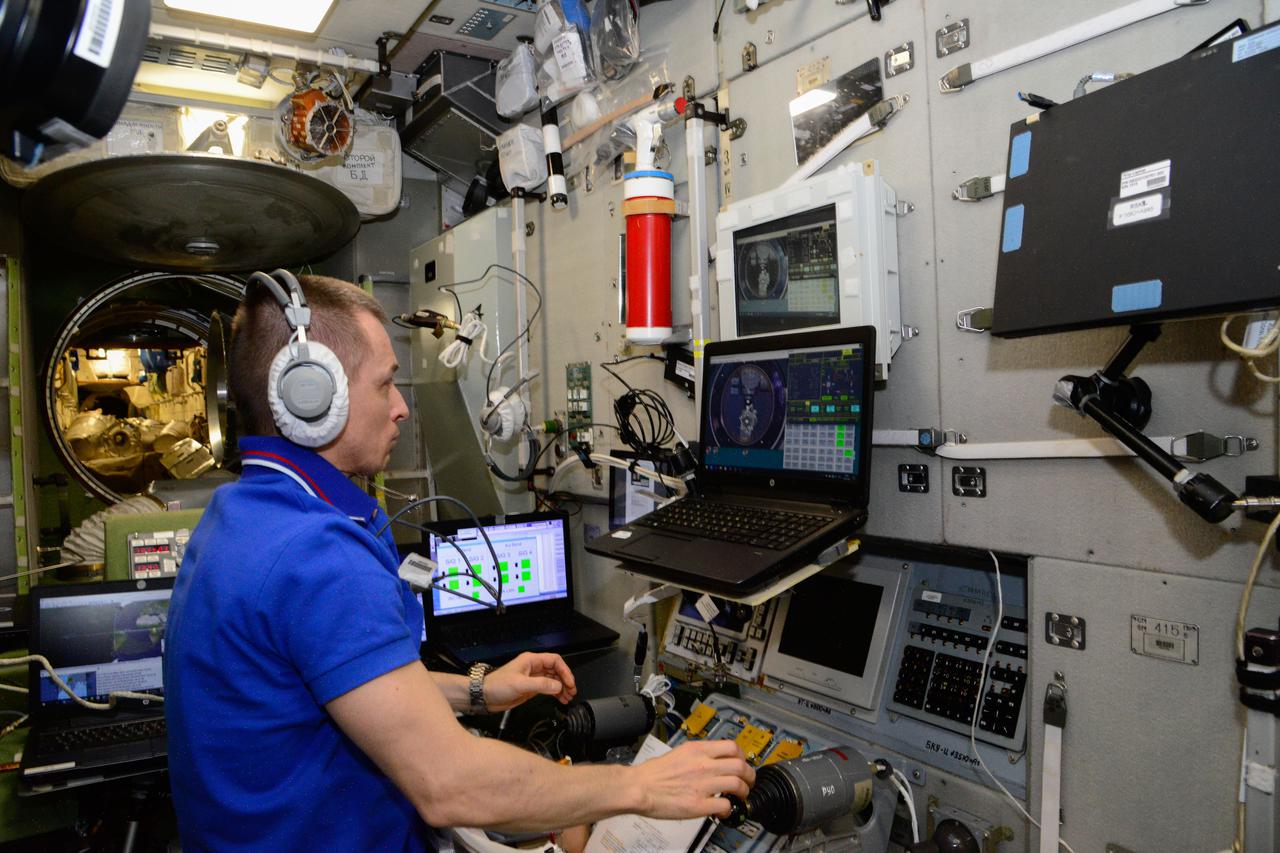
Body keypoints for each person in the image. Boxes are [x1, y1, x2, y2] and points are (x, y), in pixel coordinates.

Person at [164, 272, 754, 851]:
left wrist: (480, 690)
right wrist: (644, 785)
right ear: (311, 397)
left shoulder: (241, 514)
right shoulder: (315, 556)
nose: (400, 408)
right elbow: (450, 786)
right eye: (384, 384)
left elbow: (348, 685)